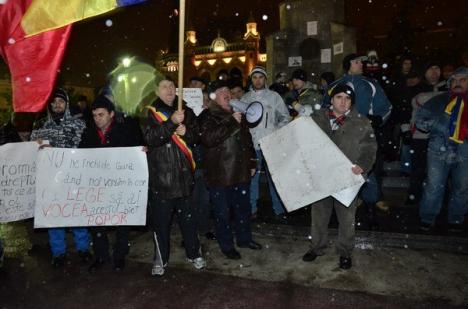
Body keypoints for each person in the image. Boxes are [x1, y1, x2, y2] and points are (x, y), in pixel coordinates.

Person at [303, 84, 377, 269]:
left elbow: (369, 148)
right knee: (319, 215)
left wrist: (362, 165)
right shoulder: (316, 119)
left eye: (348, 98)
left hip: (346, 179)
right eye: (339, 97)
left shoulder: (361, 122)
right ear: (331, 99)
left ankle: (345, 252)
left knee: (346, 218)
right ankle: (316, 247)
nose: (343, 102)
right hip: (322, 176)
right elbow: (303, 144)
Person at [323, 53, 392, 229]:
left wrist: (377, 119)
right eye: (357, 61)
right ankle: (334, 212)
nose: (361, 64)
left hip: (364, 134)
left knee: (365, 173)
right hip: (339, 136)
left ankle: (370, 210)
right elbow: (324, 109)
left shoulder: (371, 84)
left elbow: (386, 107)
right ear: (348, 65)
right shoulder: (335, 86)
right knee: (336, 172)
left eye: (361, 61)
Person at [145, 77, 205, 276]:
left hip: (184, 177)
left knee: (188, 221)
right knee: (161, 224)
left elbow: (197, 136)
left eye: (171, 86)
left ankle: (194, 253)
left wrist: (187, 131)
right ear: (157, 91)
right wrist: (171, 123)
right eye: (164, 86)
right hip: (161, 179)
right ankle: (161, 259)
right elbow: (151, 138)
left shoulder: (185, 109)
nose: (169, 89)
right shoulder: (150, 112)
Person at [79, 95, 145, 272]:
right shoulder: (89, 133)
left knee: (122, 222)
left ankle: (119, 255)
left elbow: (136, 149)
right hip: (97, 186)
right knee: (96, 222)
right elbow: (80, 156)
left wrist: (142, 151)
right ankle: (101, 255)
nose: (97, 119)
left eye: (101, 114)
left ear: (111, 114)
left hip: (119, 186)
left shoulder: (125, 131)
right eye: (94, 115)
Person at [199, 80, 261, 259]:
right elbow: (209, 139)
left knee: (243, 209)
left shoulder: (238, 113)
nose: (227, 93)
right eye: (221, 91)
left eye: (228, 89)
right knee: (223, 213)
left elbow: (247, 140)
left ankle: (244, 239)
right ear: (213, 97)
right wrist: (231, 123)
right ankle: (226, 245)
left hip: (240, 172)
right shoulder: (208, 115)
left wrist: (252, 162)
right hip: (220, 174)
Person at [30, 88, 92, 267]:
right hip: (50, 181)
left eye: (61, 102)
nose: (57, 105)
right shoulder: (41, 126)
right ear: (50, 105)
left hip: (74, 178)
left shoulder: (79, 125)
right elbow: (31, 152)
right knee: (54, 215)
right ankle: (58, 252)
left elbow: (88, 148)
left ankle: (83, 248)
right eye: (54, 102)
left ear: (66, 104)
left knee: (77, 213)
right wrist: (36, 146)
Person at [415, 67, 468, 233]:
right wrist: (440, 125)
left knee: (462, 187)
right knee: (434, 185)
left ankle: (456, 218)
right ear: (450, 83)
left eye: (463, 80)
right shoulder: (438, 101)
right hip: (439, 149)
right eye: (455, 80)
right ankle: (427, 217)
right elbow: (421, 121)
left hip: (465, 151)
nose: (458, 83)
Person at [241, 66, 291, 220]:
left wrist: (276, 130)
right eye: (255, 77)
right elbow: (241, 121)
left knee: (274, 178)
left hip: (271, 144)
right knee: (252, 177)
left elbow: (285, 117)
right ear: (251, 79)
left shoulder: (274, 97)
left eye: (260, 77)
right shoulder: (246, 98)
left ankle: (279, 209)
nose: (258, 80)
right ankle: (251, 209)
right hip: (253, 146)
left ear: (265, 79)